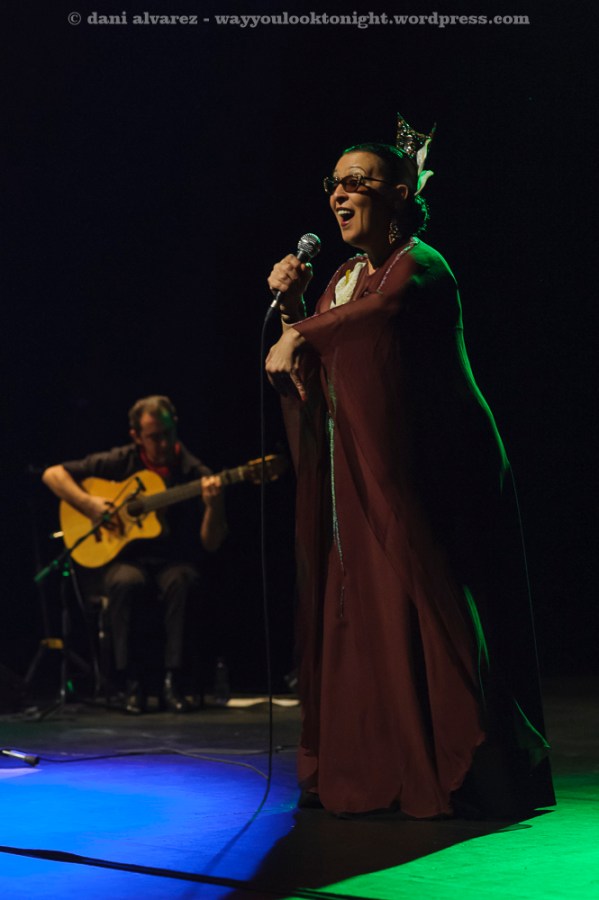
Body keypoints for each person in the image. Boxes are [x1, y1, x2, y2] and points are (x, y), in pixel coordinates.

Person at [265, 114, 555, 819]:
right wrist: (296, 306)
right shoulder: (343, 277)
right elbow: (324, 359)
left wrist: (302, 331)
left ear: (399, 194)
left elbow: (380, 317)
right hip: (365, 466)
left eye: (355, 183)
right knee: (366, 604)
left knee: (427, 596)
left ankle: (464, 766)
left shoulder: (419, 265)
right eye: (333, 184)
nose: (338, 195)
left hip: (435, 467)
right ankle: (378, 762)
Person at [42, 395, 227, 714]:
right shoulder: (122, 460)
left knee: (182, 581)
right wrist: (90, 505)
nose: (163, 443)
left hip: (173, 561)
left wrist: (215, 505)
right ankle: (131, 683)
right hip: (126, 560)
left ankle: (173, 681)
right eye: (154, 437)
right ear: (137, 436)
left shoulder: (194, 472)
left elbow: (211, 543)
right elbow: (52, 474)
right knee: (125, 582)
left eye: (168, 433)